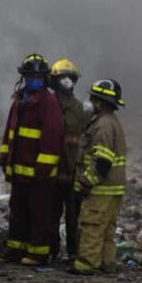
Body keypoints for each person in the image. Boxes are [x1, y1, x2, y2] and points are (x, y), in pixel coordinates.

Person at [0, 54, 64, 266]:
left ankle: (38, 253)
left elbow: (52, 139)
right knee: (17, 213)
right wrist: (5, 159)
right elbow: (10, 133)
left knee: (39, 214)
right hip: (19, 173)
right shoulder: (19, 101)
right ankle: (14, 249)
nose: (35, 80)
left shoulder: (48, 103)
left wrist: (42, 171)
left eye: (39, 76)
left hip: (39, 175)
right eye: (31, 75)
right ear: (24, 77)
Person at [70, 79, 127, 275]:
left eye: (93, 98)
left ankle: (87, 263)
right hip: (112, 188)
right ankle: (106, 262)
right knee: (107, 228)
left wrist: (86, 181)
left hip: (101, 188)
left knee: (92, 224)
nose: (90, 102)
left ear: (101, 102)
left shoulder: (102, 125)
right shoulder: (111, 122)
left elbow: (102, 161)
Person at [49, 59, 90, 261]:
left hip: (73, 173)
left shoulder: (80, 109)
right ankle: (51, 251)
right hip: (52, 173)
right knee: (50, 216)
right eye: (62, 78)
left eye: (70, 77)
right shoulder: (48, 105)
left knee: (74, 217)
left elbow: (86, 141)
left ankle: (74, 253)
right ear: (55, 81)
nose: (66, 81)